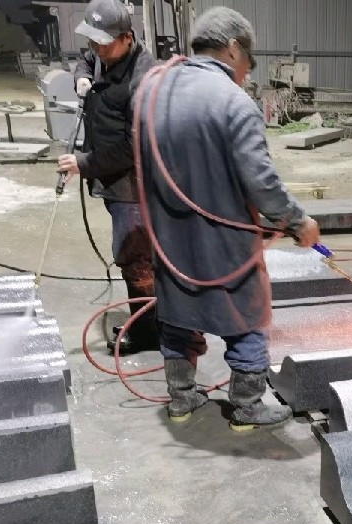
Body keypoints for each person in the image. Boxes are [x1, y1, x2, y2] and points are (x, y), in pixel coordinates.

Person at [137, 6, 322, 431]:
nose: (245, 74)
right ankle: (246, 407)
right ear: (234, 49)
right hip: (224, 245)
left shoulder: (153, 92)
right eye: (247, 65)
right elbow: (261, 182)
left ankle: (181, 400)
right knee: (247, 320)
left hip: (168, 239)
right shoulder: (234, 102)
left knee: (177, 316)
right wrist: (297, 221)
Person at [57, 0, 158, 354]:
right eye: (92, 42)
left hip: (135, 184)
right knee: (135, 254)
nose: (96, 50)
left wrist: (83, 163)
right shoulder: (105, 51)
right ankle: (151, 322)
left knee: (135, 256)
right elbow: (87, 59)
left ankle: (148, 333)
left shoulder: (143, 81)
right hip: (112, 178)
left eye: (103, 43)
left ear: (127, 37)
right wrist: (81, 77)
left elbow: (134, 147)